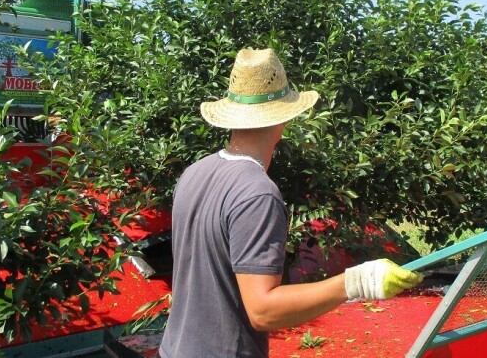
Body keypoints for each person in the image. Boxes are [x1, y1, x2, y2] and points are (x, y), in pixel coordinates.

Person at [158, 48, 423, 358]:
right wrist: (357, 282)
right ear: (284, 119)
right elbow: (262, 311)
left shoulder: (194, 172)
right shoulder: (257, 194)